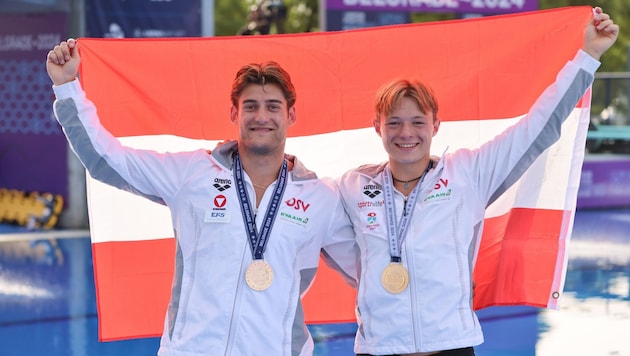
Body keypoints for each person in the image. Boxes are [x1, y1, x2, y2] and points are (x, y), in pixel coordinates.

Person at [337, 7, 619, 356]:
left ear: (435, 126)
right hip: (378, 348)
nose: (405, 133)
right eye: (394, 123)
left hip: (453, 346)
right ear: (377, 127)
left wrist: (588, 57)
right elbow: (314, 222)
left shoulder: (468, 173)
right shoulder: (353, 188)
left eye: (417, 122)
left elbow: (537, 129)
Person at [46, 39, 358, 355]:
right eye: (250, 106)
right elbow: (107, 160)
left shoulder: (321, 198)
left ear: (291, 115)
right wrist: (67, 86)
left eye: (272, 106)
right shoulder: (192, 174)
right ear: (234, 113)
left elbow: (372, 269)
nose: (261, 116)